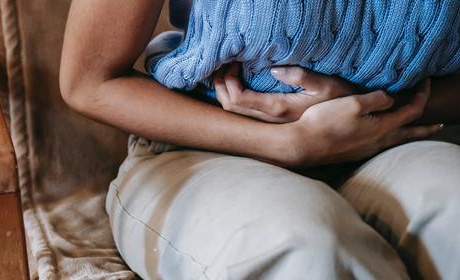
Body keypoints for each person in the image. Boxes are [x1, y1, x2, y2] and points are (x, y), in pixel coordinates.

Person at [60, 1, 460, 279]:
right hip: (205, 151)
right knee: (309, 248)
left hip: (390, 140)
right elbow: (89, 82)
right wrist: (290, 143)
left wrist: (370, 108)